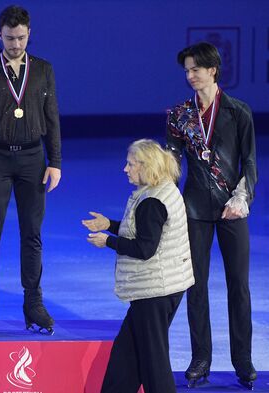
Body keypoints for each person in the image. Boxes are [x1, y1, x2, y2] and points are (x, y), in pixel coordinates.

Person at [166, 41, 258, 389]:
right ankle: (200, 358)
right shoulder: (178, 115)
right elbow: (172, 163)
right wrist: (162, 190)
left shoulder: (238, 111)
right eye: (186, 70)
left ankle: (244, 360)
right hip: (194, 210)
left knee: (239, 286)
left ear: (212, 70)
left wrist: (242, 196)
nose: (190, 76)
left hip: (233, 210)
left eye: (195, 69)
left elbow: (249, 162)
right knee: (196, 286)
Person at [0, 5, 62, 335]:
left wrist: (56, 162)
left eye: (21, 37)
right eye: (10, 38)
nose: (16, 44)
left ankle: (33, 303)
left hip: (34, 161)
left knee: (32, 234)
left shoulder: (44, 70)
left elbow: (52, 119)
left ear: (29, 33)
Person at [83, 139, 194, 393]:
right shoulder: (162, 189)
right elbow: (143, 229)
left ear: (146, 167)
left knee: (154, 363)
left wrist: (108, 241)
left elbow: (144, 248)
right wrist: (109, 224)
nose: (125, 169)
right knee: (126, 356)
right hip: (160, 287)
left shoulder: (152, 202)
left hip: (155, 291)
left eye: (131, 164)